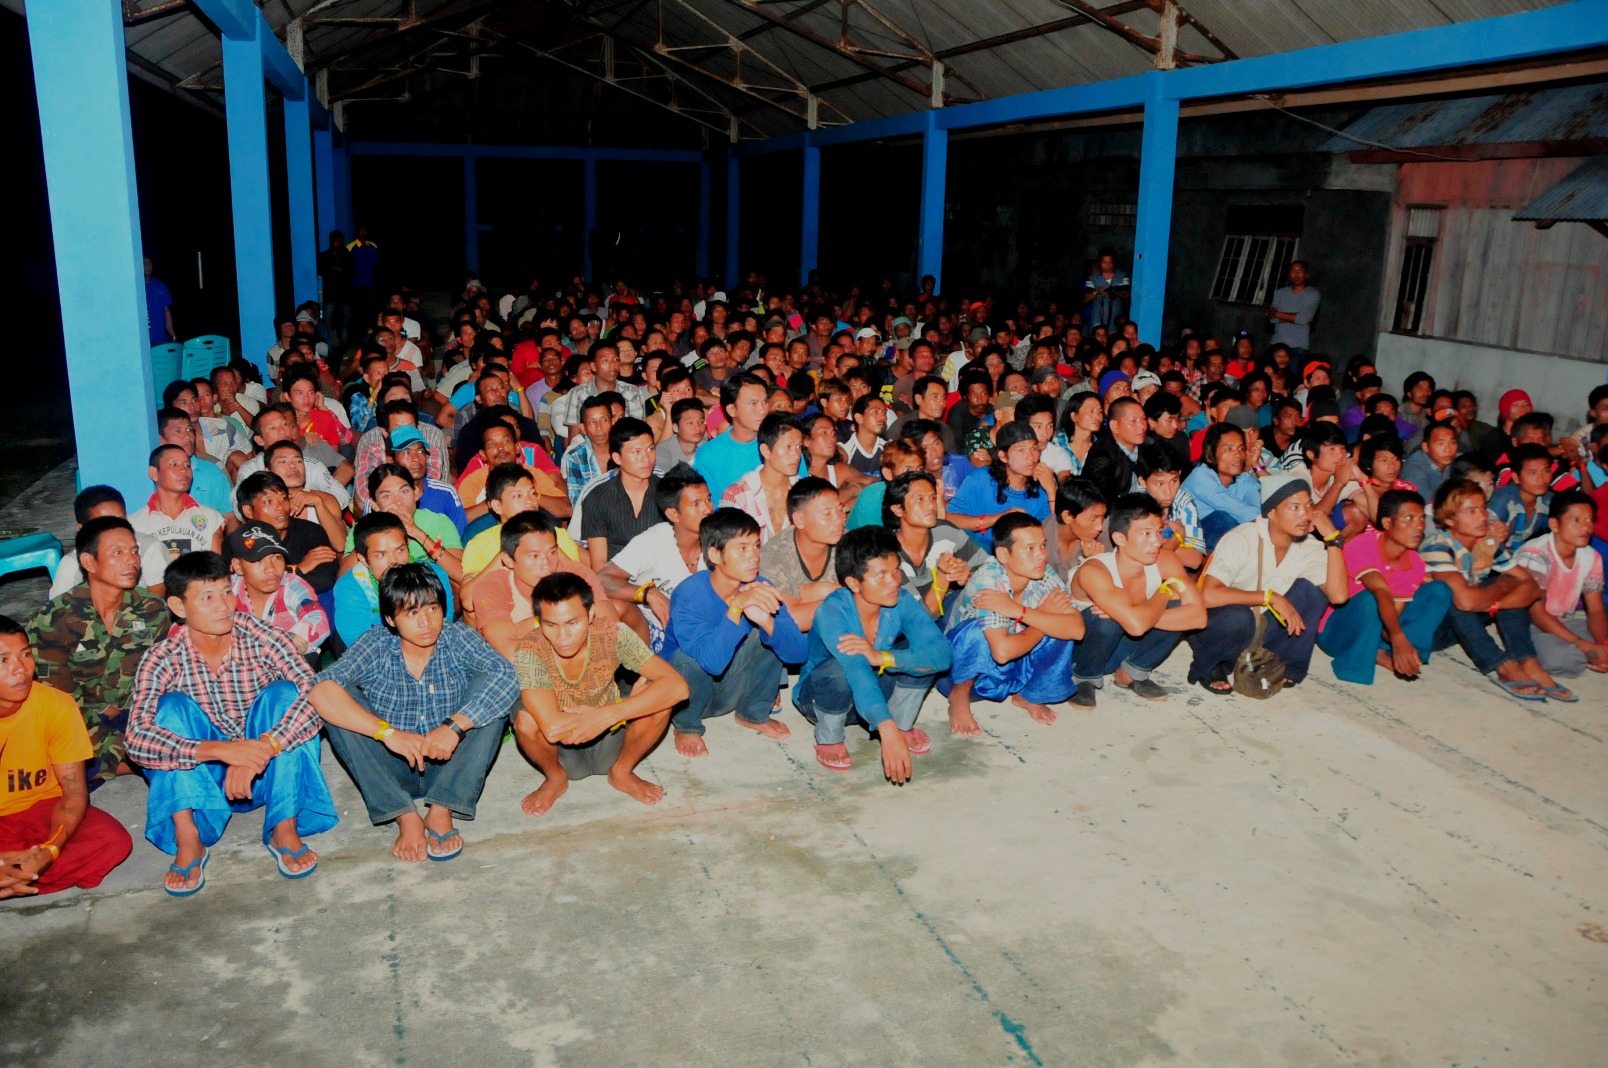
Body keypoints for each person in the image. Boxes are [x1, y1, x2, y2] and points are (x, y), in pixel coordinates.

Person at [126, 552, 338, 895]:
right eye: (207, 597)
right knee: (170, 708)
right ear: (179, 607)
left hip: (269, 771)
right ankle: (189, 836)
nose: (224, 605)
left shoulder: (262, 635)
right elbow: (136, 738)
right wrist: (224, 751)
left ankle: (284, 825)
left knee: (286, 694)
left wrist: (263, 748)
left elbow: (317, 696)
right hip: (205, 782)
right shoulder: (162, 657)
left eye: (227, 592)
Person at [310, 565, 517, 862]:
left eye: (432, 608)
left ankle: (442, 809)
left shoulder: (456, 637)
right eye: (411, 613)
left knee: (492, 694)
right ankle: (405, 815)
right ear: (390, 619)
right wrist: (387, 733)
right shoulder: (376, 643)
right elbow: (320, 690)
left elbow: (505, 675)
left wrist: (454, 726)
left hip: (451, 762)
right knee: (341, 702)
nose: (426, 622)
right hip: (389, 766)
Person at [511, 572, 686, 816]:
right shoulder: (531, 648)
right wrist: (607, 714)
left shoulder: (612, 633)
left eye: (573, 623)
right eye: (551, 625)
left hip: (612, 737)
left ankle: (622, 772)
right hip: (562, 749)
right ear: (540, 621)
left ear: (590, 614)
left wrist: (608, 715)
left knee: (657, 697)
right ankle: (555, 778)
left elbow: (678, 687)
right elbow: (551, 727)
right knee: (525, 720)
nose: (563, 637)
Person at [794, 527, 951, 778]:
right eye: (881, 576)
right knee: (838, 670)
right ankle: (829, 737)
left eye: (895, 570)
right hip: (825, 697)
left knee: (916, 654)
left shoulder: (901, 600)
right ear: (854, 583)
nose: (894, 582)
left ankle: (902, 723)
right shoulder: (832, 612)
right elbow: (856, 670)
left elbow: (941, 654)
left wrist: (885, 658)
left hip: (875, 689)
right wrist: (885, 729)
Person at [26, 516, 168, 782]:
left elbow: (160, 678)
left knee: (179, 719)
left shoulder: (152, 609)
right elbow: (59, 698)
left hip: (135, 714)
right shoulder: (54, 619)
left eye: (134, 551)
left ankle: (130, 761)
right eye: (118, 552)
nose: (132, 561)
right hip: (79, 718)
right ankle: (133, 761)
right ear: (89, 562)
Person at [0, 617, 133, 899]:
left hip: (43, 808)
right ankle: (19, 877)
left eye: (25, 655)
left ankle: (13, 881)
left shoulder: (55, 704)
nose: (21, 670)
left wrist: (49, 851)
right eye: (3, 660)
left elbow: (73, 790)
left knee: (113, 842)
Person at [1188, 472, 1350, 694]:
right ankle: (1213, 664)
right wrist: (1269, 596)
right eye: (1294, 507)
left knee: (1313, 592)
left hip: (1260, 627)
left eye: (1309, 505)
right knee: (1239, 616)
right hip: (1221, 624)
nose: (1305, 514)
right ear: (1271, 512)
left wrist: (1333, 540)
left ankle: (1283, 661)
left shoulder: (1310, 547)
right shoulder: (1242, 538)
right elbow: (1207, 596)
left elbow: (1338, 596)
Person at [665, 508, 807, 758]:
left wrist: (766, 622)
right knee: (686, 658)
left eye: (755, 546)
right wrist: (737, 606)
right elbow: (711, 663)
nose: (753, 556)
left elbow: (798, 654)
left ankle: (752, 714)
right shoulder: (688, 594)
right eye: (742, 548)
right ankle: (686, 726)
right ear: (715, 554)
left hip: (731, 688)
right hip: (687, 694)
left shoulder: (761, 586)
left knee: (767, 631)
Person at [941, 512, 1084, 734]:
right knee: (978, 632)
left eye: (1043, 545)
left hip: (1014, 663)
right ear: (1003, 554)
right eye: (1030, 549)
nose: (1041, 556)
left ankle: (1028, 695)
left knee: (1058, 624)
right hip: (964, 673)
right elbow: (1001, 652)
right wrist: (1039, 619)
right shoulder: (988, 579)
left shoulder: (1042, 572)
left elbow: (1077, 629)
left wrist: (1020, 611)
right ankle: (958, 698)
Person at [1420, 479, 1557, 701]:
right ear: (1449, 519)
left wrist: (1498, 603)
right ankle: (1502, 665)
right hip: (1432, 630)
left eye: (1483, 508)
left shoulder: (1485, 542)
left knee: (1510, 589)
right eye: (1471, 511)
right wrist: (1503, 587)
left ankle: (1526, 660)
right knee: (1454, 594)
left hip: (1468, 623)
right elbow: (1466, 602)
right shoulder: (1437, 546)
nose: (1483, 517)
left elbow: (1532, 587)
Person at [1068, 493, 1208, 707]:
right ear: (1120, 538)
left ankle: (1131, 673)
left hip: (1123, 648)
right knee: (1109, 619)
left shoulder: (1166, 559)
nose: (1157, 541)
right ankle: (1084, 677)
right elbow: (1134, 626)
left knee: (1180, 607)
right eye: (1146, 533)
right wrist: (1165, 591)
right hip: (1082, 653)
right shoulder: (1094, 570)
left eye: (1160, 532)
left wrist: (1134, 612)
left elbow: (1198, 617)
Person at [1317, 489, 1453, 684]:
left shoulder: (1415, 562)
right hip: (1336, 631)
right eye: (1409, 518)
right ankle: (1354, 665)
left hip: (1376, 626)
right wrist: (1397, 637)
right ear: (1388, 523)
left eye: (1422, 519)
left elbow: (1394, 613)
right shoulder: (1362, 544)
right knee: (1371, 598)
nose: (1419, 526)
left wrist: (1397, 640)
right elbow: (1380, 591)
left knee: (1439, 591)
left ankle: (1404, 655)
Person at [462, 510, 619, 659]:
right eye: (534, 556)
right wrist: (548, 622)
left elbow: (609, 625)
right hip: (522, 674)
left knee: (622, 610)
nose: (546, 564)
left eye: (552, 552)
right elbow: (510, 653)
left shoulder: (575, 574)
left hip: (574, 664)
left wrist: (525, 628)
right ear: (508, 560)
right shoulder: (492, 587)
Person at [1513, 490, 1608, 678]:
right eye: (1577, 520)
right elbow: (1537, 613)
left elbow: (1595, 610)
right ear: (1554, 524)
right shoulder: (1536, 554)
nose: (1585, 527)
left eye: (1589, 520)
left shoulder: (1591, 557)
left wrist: (1602, 646)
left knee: (1593, 642)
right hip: (1532, 623)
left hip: (1568, 621)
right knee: (1559, 659)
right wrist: (1584, 646)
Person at [334, 513, 456, 648]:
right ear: (363, 559)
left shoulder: (433, 574)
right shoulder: (351, 587)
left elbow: (444, 625)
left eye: (400, 550)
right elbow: (360, 646)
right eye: (381, 555)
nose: (394, 562)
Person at [226, 522, 330, 661]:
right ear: (238, 566)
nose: (271, 569)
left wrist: (278, 648)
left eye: (276, 557)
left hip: (290, 669)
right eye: (259, 560)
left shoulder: (292, 585)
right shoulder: (226, 591)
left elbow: (317, 619)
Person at [49, 485, 171, 598]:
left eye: (120, 521)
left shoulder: (149, 549)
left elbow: (158, 608)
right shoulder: (72, 564)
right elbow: (58, 613)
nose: (115, 531)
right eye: (103, 525)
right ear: (82, 530)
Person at [234, 471, 341, 598]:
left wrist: (273, 579)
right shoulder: (239, 542)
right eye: (268, 501)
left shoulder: (310, 531)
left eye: (284, 498)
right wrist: (298, 569)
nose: (281, 507)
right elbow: (240, 586)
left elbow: (324, 579)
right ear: (248, 511)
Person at [758, 477, 846, 632]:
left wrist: (823, 591)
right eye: (827, 513)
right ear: (799, 519)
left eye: (840, 509)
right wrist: (846, 596)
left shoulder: (849, 543)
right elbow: (791, 620)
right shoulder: (774, 555)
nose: (840, 519)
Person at [947, 421, 1052, 550]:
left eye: (1034, 449)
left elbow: (1051, 535)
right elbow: (950, 519)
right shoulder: (980, 479)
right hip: (976, 555)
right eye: (1021, 450)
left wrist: (1052, 491)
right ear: (1003, 456)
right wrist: (997, 518)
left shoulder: (1041, 488)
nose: (1030, 457)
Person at [581, 417, 662, 569]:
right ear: (617, 458)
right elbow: (599, 564)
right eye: (636, 452)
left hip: (661, 578)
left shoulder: (667, 492)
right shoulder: (597, 498)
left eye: (650, 449)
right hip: (616, 582)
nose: (646, 458)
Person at [1180, 423, 1260, 550]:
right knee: (1224, 520)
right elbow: (1237, 509)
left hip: (1225, 543)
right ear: (1209, 455)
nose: (1238, 455)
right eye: (1229, 449)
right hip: (1188, 542)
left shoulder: (1243, 480)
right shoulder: (1200, 476)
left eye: (1241, 448)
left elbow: (1258, 509)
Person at [694, 373, 773, 502]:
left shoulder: (781, 444)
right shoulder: (709, 454)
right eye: (753, 403)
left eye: (765, 401)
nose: (762, 410)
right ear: (732, 409)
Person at [1136, 443, 1204, 571]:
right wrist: (1178, 536)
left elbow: (1195, 560)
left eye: (1174, 481)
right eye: (1160, 484)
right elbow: (1148, 563)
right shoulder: (1135, 504)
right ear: (1143, 482)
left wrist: (1161, 547)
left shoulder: (1185, 503)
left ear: (1179, 474)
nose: (1168, 491)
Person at [1487, 443, 1556, 555]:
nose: (1541, 479)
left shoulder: (1549, 500)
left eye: (1546, 471)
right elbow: (1485, 543)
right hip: (1494, 563)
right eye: (1532, 473)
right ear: (1516, 477)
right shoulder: (1503, 500)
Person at [1082, 396, 1149, 502]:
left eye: (1143, 419)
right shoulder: (1101, 455)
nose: (1142, 426)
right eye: (1133, 421)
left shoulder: (1150, 444)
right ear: (1115, 426)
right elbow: (1104, 501)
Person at [1401, 420, 1460, 505]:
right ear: (1426, 447)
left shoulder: (1460, 460)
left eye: (1452, 442)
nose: (1448, 449)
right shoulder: (1414, 469)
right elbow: (1429, 504)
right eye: (1440, 443)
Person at [144, 255, 175, 345]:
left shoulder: (161, 286)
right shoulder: (136, 288)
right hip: (144, 343)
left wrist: (173, 336)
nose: (147, 266)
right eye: (144, 263)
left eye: (149, 263)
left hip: (162, 340)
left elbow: (167, 312)